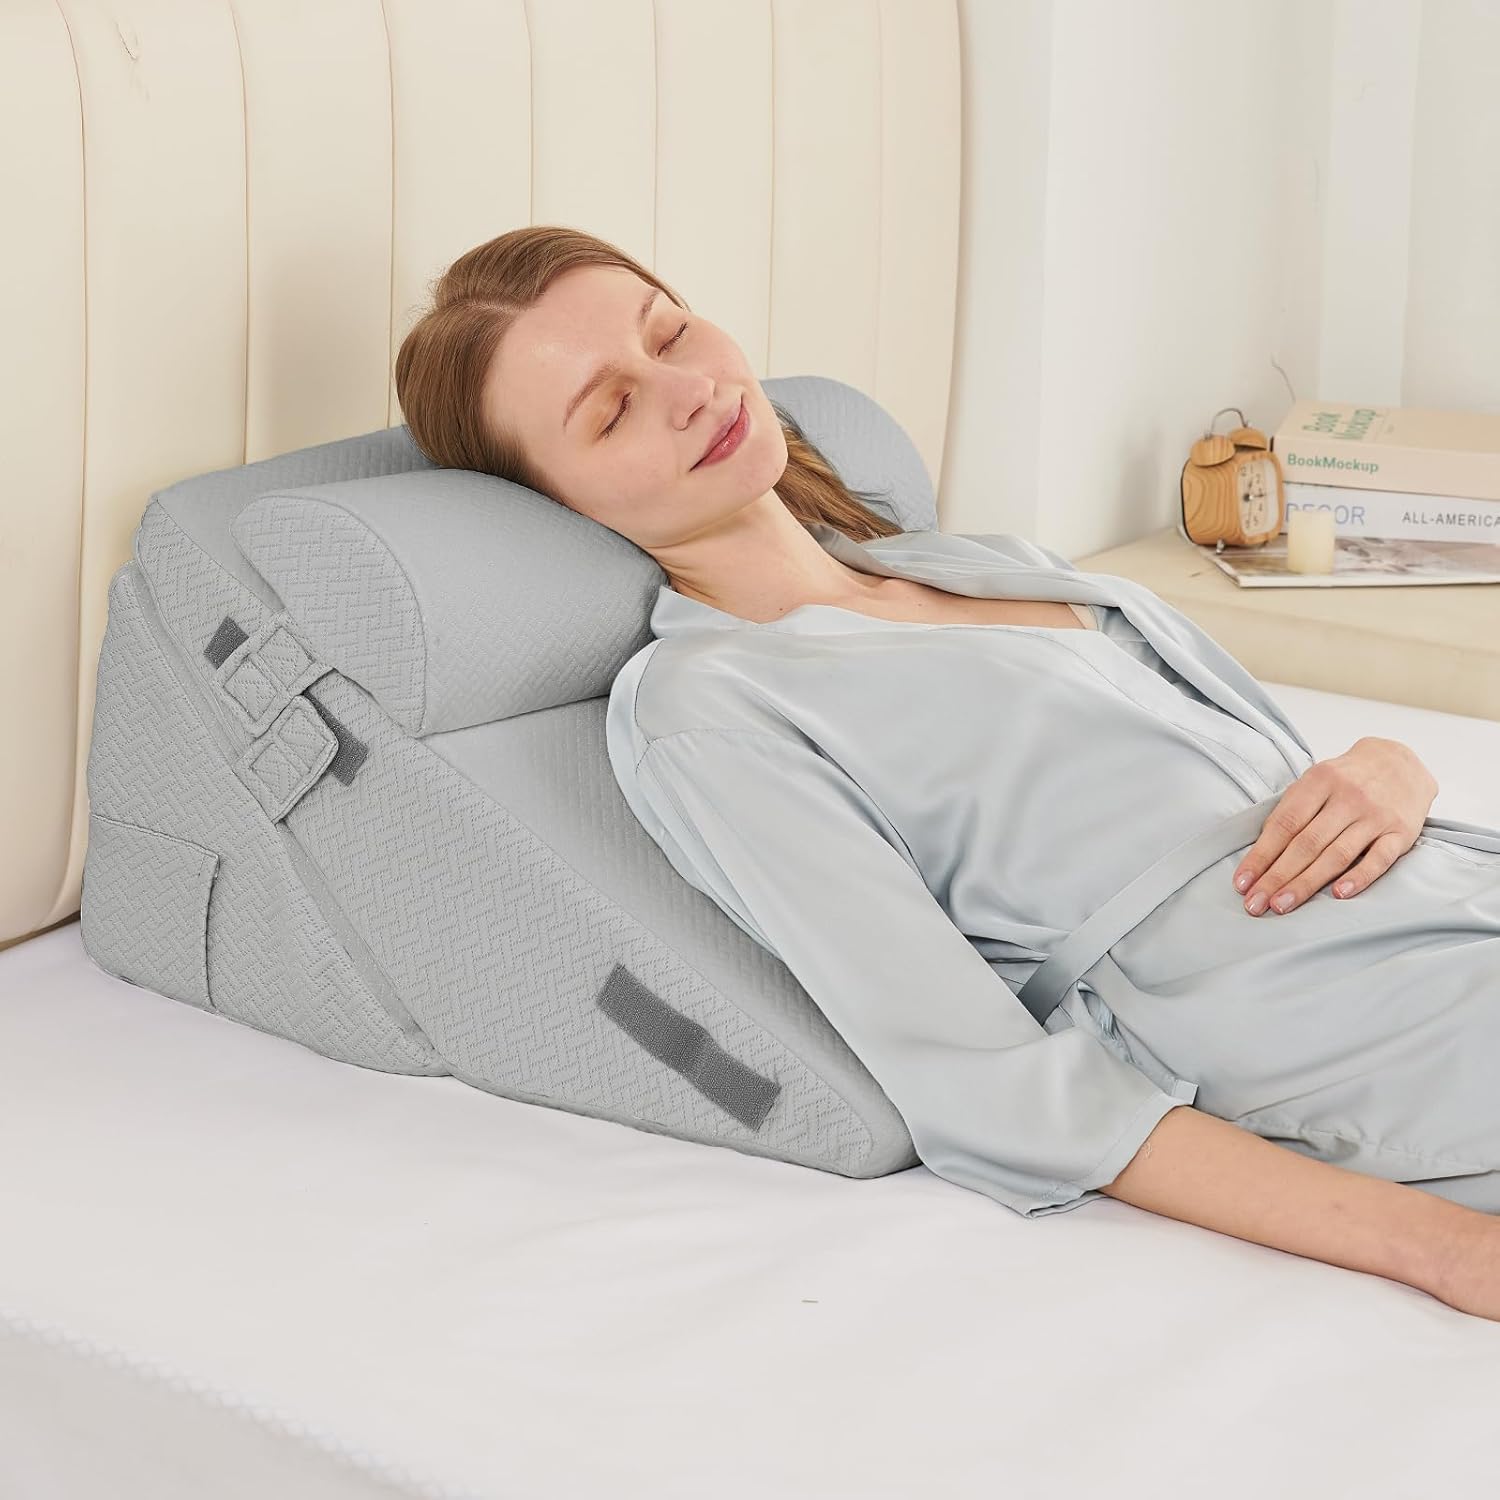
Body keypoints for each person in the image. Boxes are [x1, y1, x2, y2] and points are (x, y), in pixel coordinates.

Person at [394, 225, 1500, 1321]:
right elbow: (986, 1082)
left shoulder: (977, 566)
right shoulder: (709, 709)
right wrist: (1444, 1253)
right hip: (1358, 1024)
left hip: (1449, 897)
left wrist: (1393, 769)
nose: (687, 391)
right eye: (611, 411)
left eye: (671, 333)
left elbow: (1245, 775)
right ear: (557, 504)